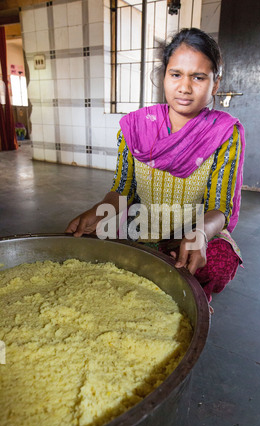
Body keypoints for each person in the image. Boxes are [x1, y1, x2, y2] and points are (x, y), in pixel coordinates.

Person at [65, 28, 245, 313]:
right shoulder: (136, 127)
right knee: (91, 241)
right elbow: (123, 189)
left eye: (198, 77)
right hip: (143, 225)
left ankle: (195, 293)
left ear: (215, 83)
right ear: (164, 77)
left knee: (220, 261)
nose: (185, 87)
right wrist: (99, 211)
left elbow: (220, 208)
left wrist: (199, 234)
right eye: (176, 74)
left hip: (193, 232)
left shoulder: (223, 133)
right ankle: (168, 276)